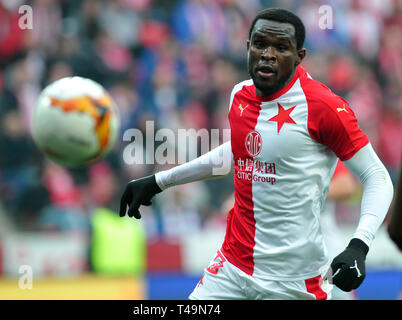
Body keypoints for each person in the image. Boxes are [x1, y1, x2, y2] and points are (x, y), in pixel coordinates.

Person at [119, 8, 394, 300]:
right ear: (247, 47)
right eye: (260, 44)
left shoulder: (324, 106)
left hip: (293, 282)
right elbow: (240, 154)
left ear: (299, 56)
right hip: (230, 270)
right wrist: (160, 181)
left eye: (281, 47)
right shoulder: (240, 95)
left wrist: (359, 245)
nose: (268, 54)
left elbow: (377, 176)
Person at [321, 161, 359, 300]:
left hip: (325, 252)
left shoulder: (317, 149)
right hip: (286, 253)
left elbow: (346, 185)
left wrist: (303, 194)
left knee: (337, 295)